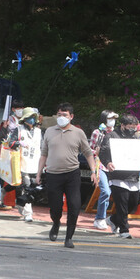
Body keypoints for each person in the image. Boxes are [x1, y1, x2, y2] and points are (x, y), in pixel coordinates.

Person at [36, 103, 99, 248]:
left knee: (74, 205)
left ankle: (69, 237)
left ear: (71, 117)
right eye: (59, 115)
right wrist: (39, 173)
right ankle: (56, 223)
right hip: (53, 174)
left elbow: (88, 153)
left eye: (64, 115)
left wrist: (94, 172)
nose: (61, 117)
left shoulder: (78, 133)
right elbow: (44, 154)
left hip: (72, 174)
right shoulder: (50, 131)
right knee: (55, 206)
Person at [99, 114, 140, 239]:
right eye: (129, 126)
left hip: (133, 175)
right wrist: (108, 163)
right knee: (122, 203)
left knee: (133, 203)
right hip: (118, 176)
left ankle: (113, 220)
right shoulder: (111, 136)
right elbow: (103, 152)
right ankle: (124, 229)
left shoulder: (137, 138)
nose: (131, 129)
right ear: (122, 125)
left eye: (134, 127)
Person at [12, 107, 42, 222]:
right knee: (27, 186)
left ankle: (20, 203)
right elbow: (10, 143)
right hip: (22, 163)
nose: (32, 120)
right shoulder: (19, 130)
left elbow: (44, 148)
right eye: (29, 117)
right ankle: (28, 213)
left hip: (35, 164)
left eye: (33, 117)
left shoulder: (39, 132)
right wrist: (19, 143)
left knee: (33, 188)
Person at [90, 110, 118, 230]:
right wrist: (95, 152)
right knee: (105, 191)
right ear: (104, 119)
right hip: (100, 165)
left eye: (114, 118)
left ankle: (111, 219)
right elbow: (89, 150)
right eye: (110, 118)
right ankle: (100, 218)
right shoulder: (98, 132)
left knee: (112, 193)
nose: (113, 120)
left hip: (113, 166)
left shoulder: (116, 133)